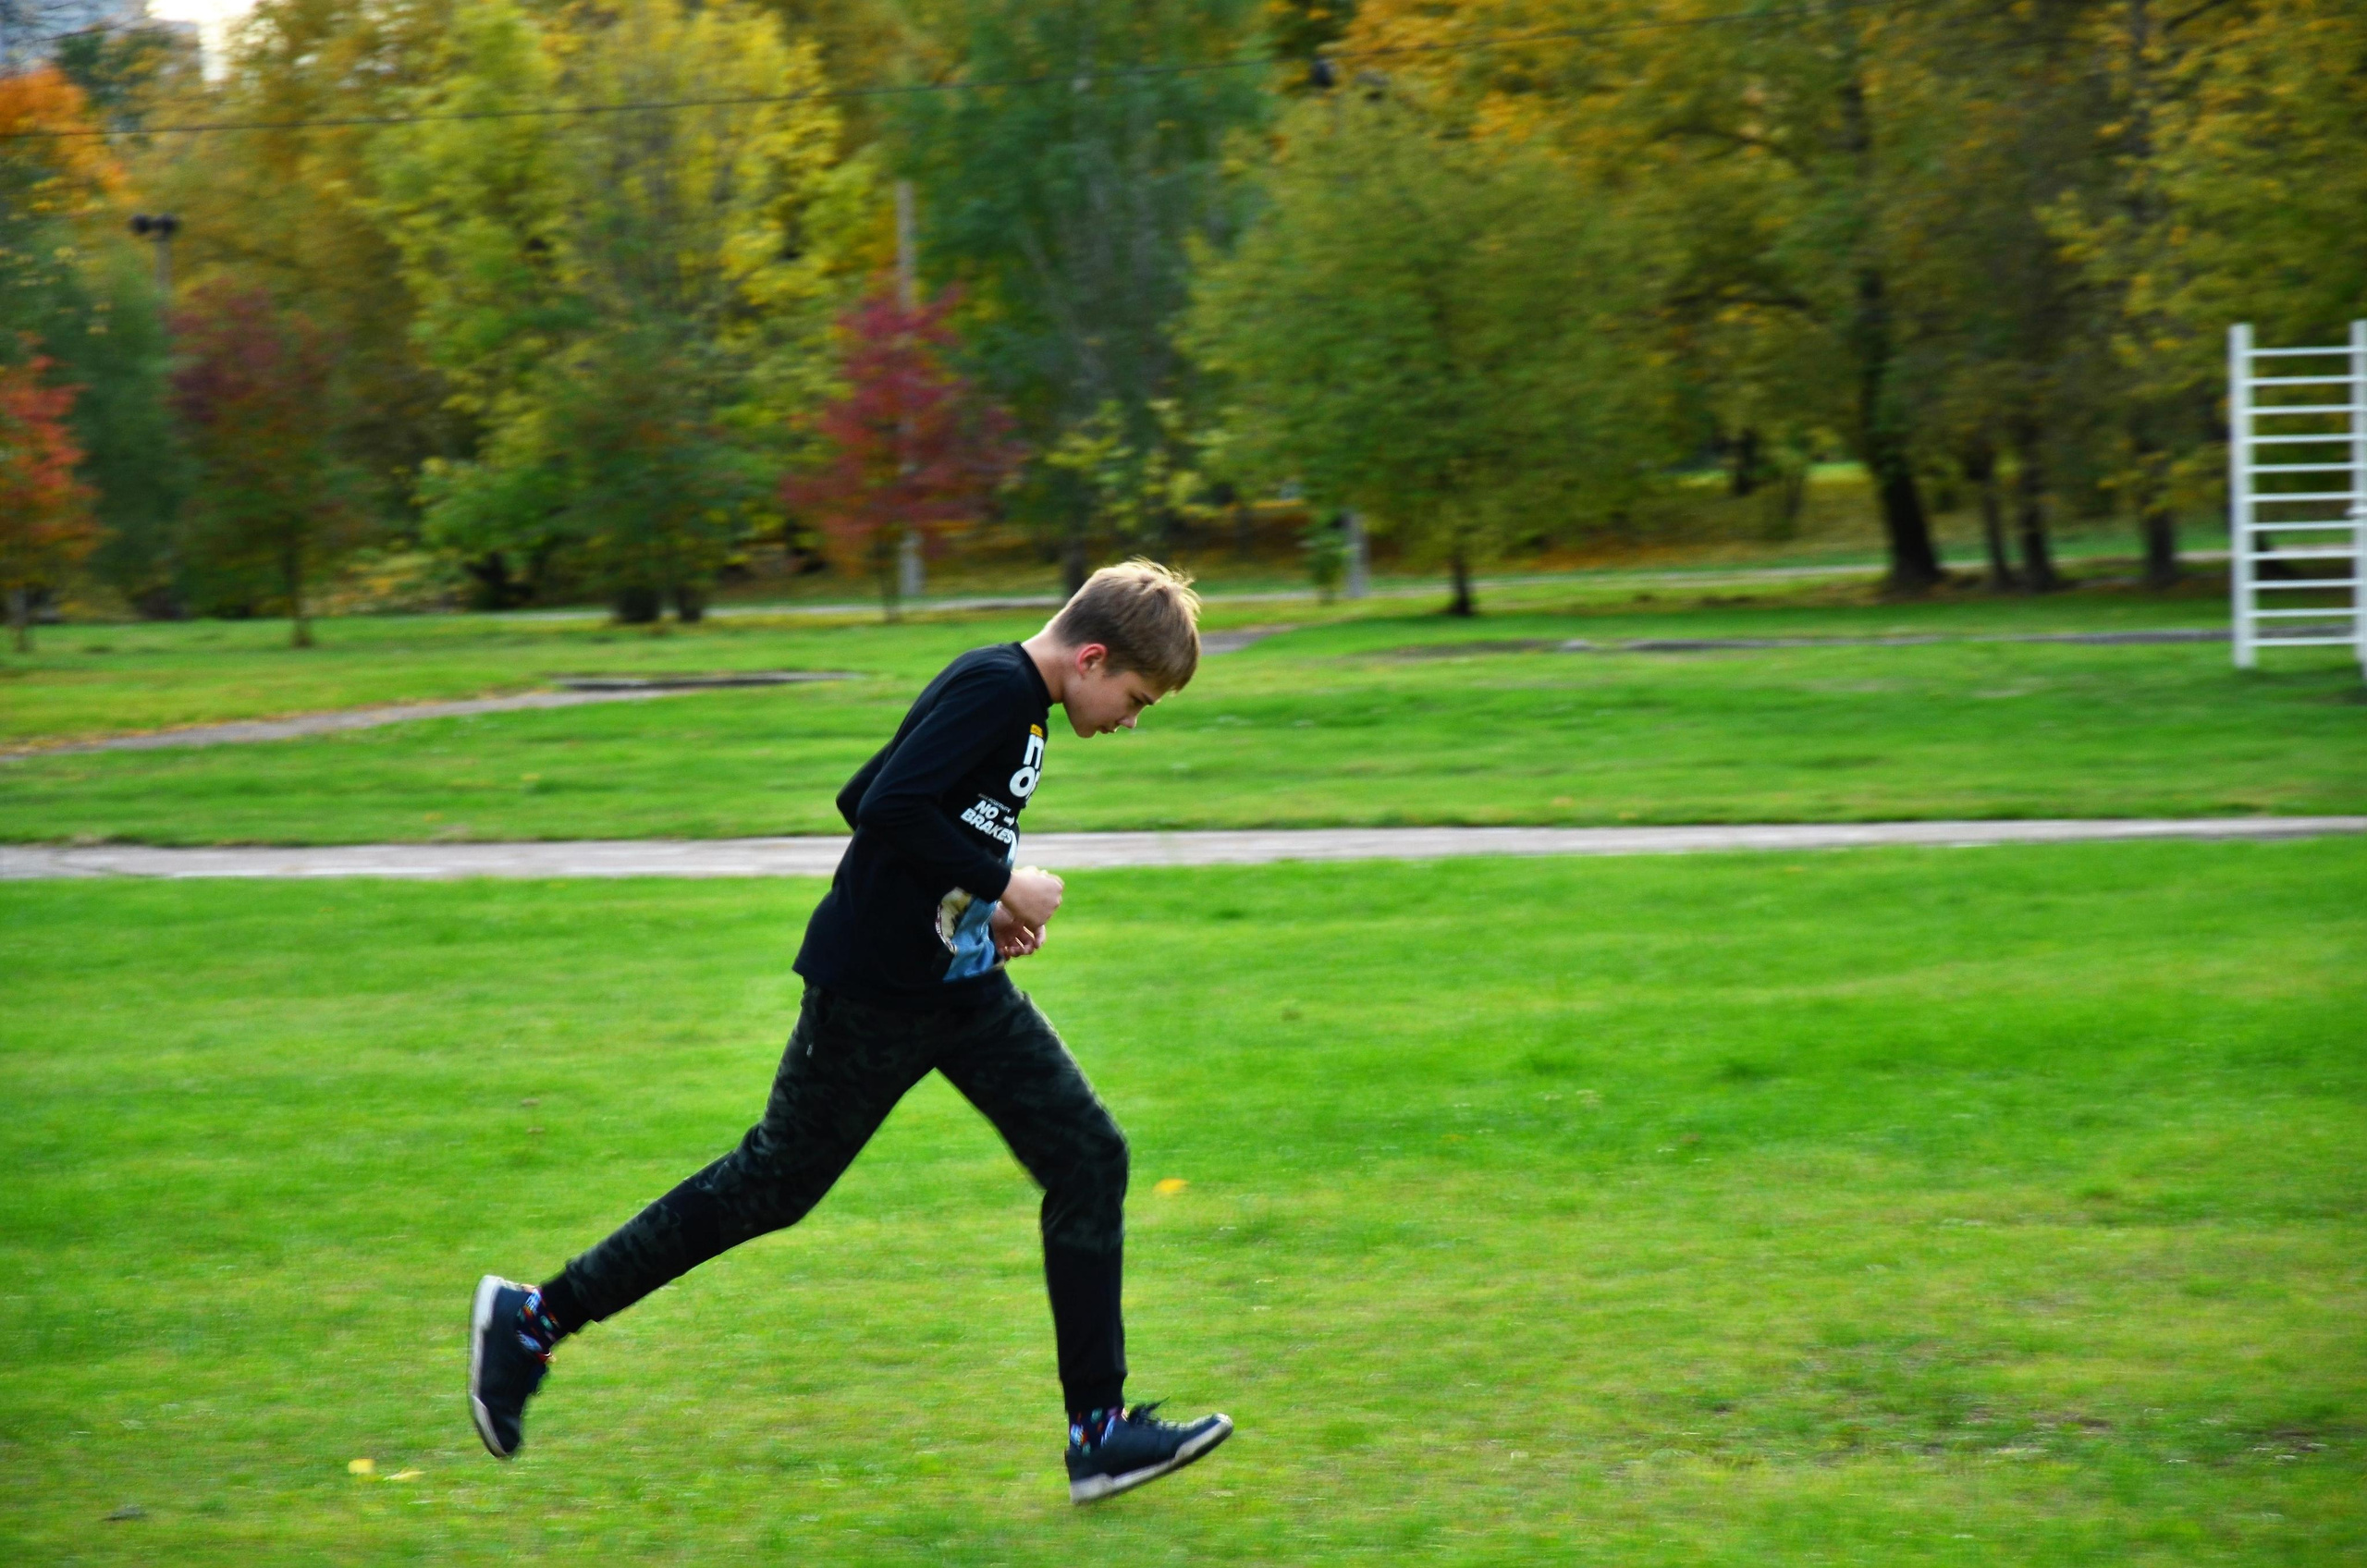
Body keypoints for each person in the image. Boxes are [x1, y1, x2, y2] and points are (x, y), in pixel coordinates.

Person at [467, 559, 1232, 1504]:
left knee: (1088, 1157)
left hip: (959, 983)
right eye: (1136, 697)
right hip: (874, 991)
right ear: (1091, 656)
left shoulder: (1017, 701)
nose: (1131, 718)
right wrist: (1004, 882)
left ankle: (1099, 1432)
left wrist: (976, 909)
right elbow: (882, 807)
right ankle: (534, 1318)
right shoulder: (997, 688)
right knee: (771, 1183)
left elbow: (884, 794)